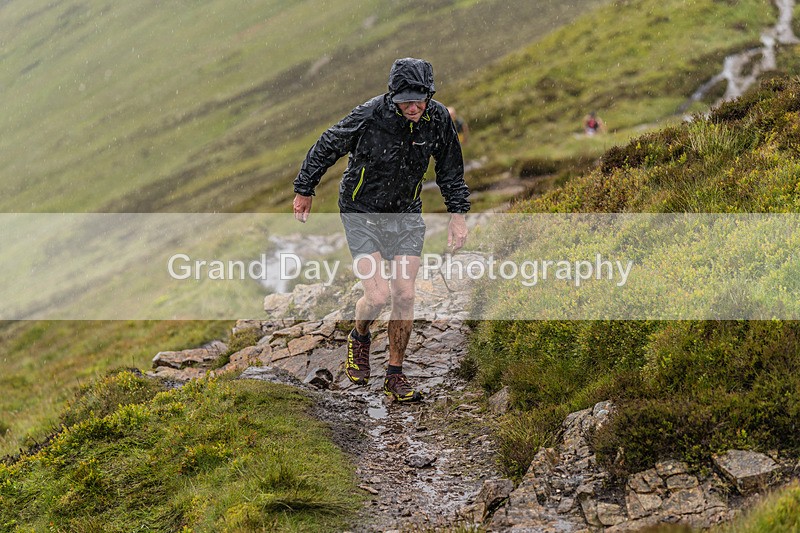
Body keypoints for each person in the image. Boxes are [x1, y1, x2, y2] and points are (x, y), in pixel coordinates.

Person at [292, 58, 470, 403]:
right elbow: (328, 144)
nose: (413, 106)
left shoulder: (437, 121)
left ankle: (395, 375)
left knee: (404, 294)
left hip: (405, 215)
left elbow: (451, 170)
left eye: (419, 99)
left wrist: (458, 215)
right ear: (393, 95)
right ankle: (359, 336)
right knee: (377, 297)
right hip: (361, 212)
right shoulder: (369, 115)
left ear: (430, 94)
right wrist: (305, 189)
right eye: (405, 100)